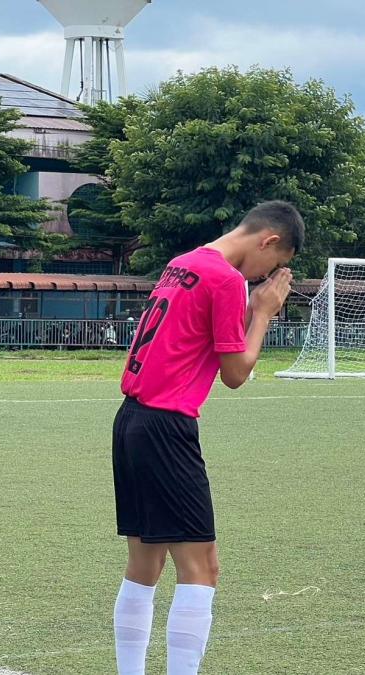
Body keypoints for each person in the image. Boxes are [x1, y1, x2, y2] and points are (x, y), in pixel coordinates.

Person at [111, 200, 303, 675]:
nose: (266, 276)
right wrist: (262, 313)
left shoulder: (184, 263)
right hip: (167, 427)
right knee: (202, 568)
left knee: (145, 566)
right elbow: (235, 374)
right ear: (268, 240)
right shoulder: (226, 279)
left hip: (131, 421)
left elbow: (194, 337)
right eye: (274, 265)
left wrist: (249, 307)